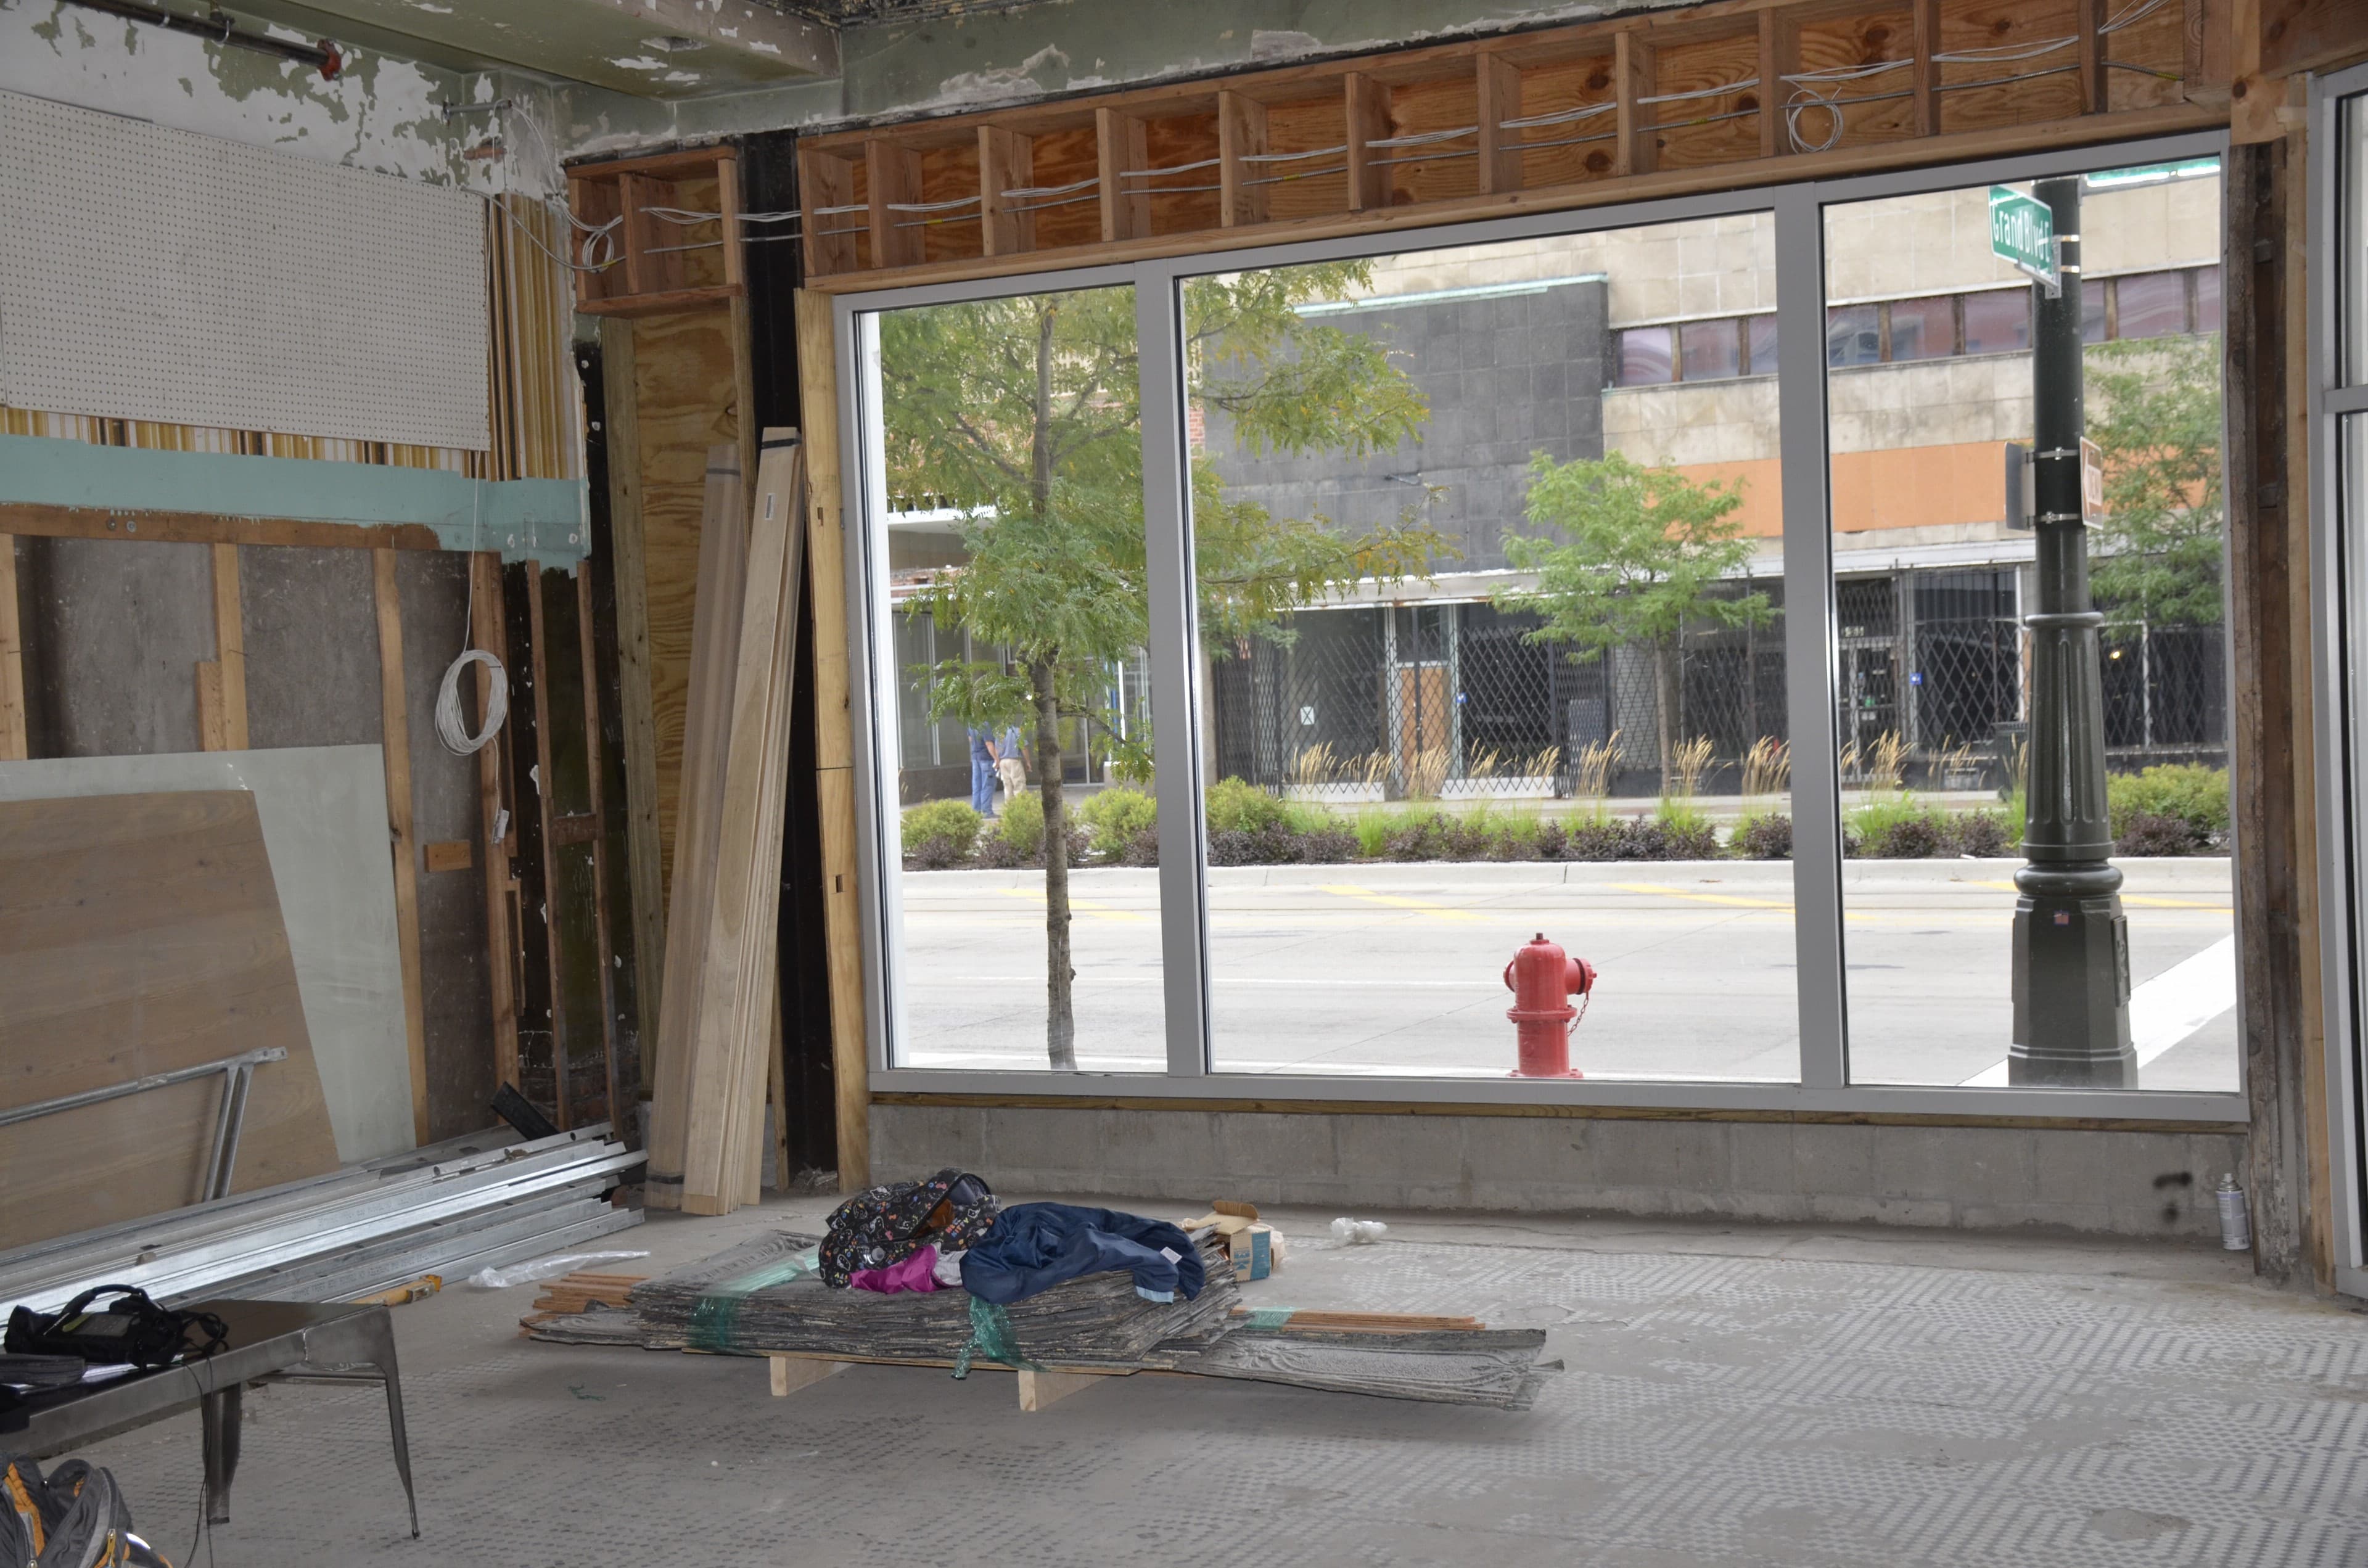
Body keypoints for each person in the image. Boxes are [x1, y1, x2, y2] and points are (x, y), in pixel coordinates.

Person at [966, 724, 996, 816]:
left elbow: (970, 739)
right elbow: (989, 743)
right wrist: (997, 759)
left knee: (977, 786)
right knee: (988, 785)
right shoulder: (986, 724)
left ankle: (976, 811)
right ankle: (987, 812)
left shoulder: (971, 723)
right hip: (986, 758)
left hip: (975, 758)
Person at [995, 722, 1027, 806]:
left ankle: (1009, 810)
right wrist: (1028, 762)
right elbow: (1023, 747)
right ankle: (1021, 808)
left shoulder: (999, 733)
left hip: (1003, 762)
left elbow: (997, 749)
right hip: (1014, 761)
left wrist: (998, 762)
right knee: (1019, 785)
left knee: (1007, 787)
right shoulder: (1018, 731)